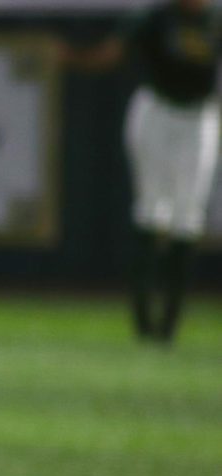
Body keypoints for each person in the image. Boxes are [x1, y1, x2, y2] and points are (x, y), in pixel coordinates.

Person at [61, 0, 221, 344]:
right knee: (151, 210)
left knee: (187, 217)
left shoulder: (215, 18)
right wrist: (72, 57)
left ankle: (169, 325)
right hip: (156, 111)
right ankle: (143, 320)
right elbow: (112, 53)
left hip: (199, 117)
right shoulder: (156, 17)